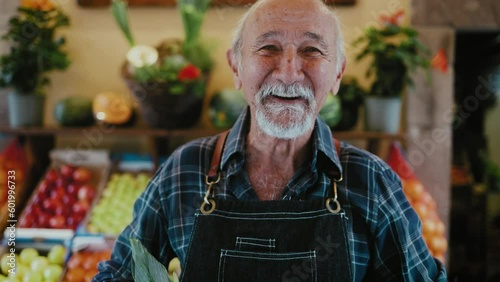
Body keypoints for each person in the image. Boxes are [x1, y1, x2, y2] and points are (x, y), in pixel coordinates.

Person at [94, 0, 447, 280]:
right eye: (268, 48)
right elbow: (121, 275)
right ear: (236, 68)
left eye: (312, 50)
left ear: (337, 73)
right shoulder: (186, 170)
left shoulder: (370, 180)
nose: (289, 72)